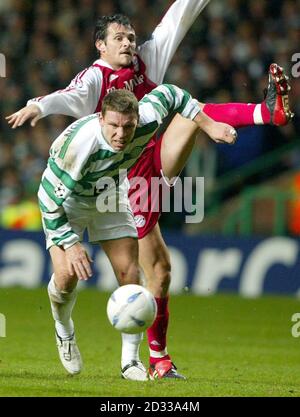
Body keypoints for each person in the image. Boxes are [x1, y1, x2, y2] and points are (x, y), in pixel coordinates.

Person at [6, 1, 293, 380]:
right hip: (101, 180)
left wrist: (211, 126)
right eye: (118, 38)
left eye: (130, 36)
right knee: (138, 270)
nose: (128, 42)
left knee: (141, 269)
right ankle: (76, 333)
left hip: (138, 162)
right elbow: (67, 100)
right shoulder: (93, 87)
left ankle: (137, 361)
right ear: (100, 45)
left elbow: (179, 28)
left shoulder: (147, 65)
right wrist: (38, 106)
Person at [38, 85, 236, 377]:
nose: (121, 134)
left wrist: (210, 126)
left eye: (127, 126)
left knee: (130, 275)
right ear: (101, 118)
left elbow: (175, 94)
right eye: (114, 126)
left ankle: (130, 361)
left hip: (110, 193)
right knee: (66, 276)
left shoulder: (148, 116)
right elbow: (47, 198)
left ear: (137, 119)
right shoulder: (80, 146)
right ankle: (64, 331)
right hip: (69, 201)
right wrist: (70, 243)